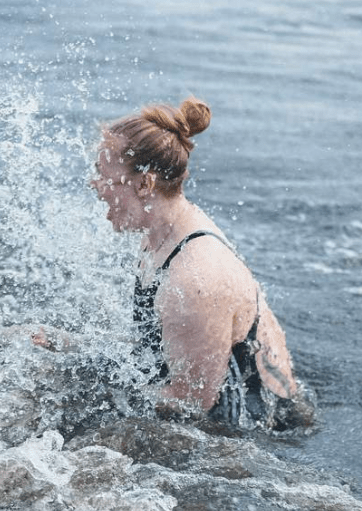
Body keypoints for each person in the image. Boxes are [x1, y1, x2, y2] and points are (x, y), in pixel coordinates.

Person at [87, 96, 314, 430]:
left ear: (146, 183)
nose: (96, 187)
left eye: (104, 177)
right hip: (219, 408)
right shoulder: (160, 237)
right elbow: (161, 347)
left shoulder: (193, 278)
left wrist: (97, 387)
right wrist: (73, 350)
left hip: (266, 433)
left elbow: (192, 402)